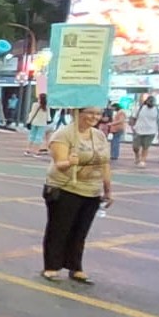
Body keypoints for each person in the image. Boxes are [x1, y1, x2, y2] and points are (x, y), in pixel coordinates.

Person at [41, 107, 112, 284]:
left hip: (92, 190)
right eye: (90, 112)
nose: (94, 117)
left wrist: (108, 190)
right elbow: (60, 164)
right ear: (77, 112)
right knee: (59, 229)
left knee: (80, 231)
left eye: (98, 113)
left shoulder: (99, 136)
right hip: (65, 188)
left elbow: (105, 164)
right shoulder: (63, 134)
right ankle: (51, 266)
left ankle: (75, 266)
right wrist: (70, 162)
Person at [131, 95, 159, 167]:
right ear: (146, 101)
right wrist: (132, 126)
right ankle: (137, 156)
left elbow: (158, 120)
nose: (151, 104)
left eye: (152, 103)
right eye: (150, 102)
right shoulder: (141, 108)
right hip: (139, 130)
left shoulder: (157, 109)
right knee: (135, 147)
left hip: (151, 131)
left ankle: (142, 160)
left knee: (145, 147)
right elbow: (134, 117)